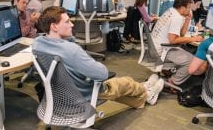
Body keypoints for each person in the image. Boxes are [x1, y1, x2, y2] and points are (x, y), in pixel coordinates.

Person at [32, 6, 165, 108]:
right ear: (54, 26)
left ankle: (145, 94)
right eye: (67, 22)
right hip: (83, 94)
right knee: (124, 82)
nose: (72, 24)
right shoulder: (71, 50)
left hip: (61, 93)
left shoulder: (37, 44)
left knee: (121, 90)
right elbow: (102, 74)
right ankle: (146, 90)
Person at [151, 0, 204, 87]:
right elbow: (173, 40)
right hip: (162, 51)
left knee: (187, 52)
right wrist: (193, 39)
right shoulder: (176, 18)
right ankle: (172, 82)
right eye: (189, 8)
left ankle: (169, 73)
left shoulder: (170, 11)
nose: (190, 10)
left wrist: (188, 19)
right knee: (192, 61)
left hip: (156, 48)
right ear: (183, 8)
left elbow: (181, 34)